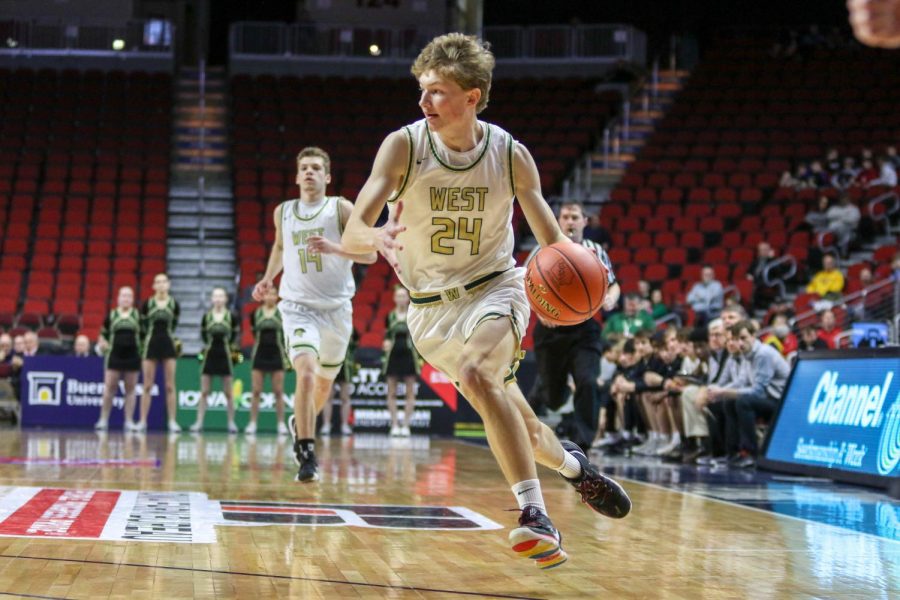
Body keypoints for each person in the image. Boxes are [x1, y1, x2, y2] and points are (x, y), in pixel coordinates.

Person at [341, 33, 631, 568]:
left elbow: (553, 244)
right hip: (429, 311)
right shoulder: (403, 146)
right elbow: (356, 227)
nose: (424, 102)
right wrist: (372, 239)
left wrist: (590, 276)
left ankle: (535, 516)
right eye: (423, 91)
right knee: (525, 428)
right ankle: (576, 470)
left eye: (437, 92)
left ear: (473, 96)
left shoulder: (509, 154)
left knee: (477, 372)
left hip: (496, 286)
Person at [252, 146, 376, 483]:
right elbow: (280, 247)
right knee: (305, 373)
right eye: (304, 167)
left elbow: (370, 255)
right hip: (297, 308)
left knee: (323, 386)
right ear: (296, 176)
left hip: (337, 310)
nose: (309, 172)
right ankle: (306, 451)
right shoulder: (284, 212)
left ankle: (299, 423)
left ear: (327, 176)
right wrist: (267, 278)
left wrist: (335, 247)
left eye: (315, 168)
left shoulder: (340, 208)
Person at [527, 201, 620, 450]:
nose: (570, 221)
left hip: (584, 329)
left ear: (584, 222)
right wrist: (539, 309)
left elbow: (613, 284)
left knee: (588, 381)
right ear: (558, 221)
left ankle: (583, 444)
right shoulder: (542, 249)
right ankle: (548, 388)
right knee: (554, 399)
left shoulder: (595, 250)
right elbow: (525, 287)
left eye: (575, 217)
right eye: (565, 217)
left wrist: (611, 296)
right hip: (552, 329)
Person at [708, 320, 790, 468]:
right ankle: (733, 453)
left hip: (781, 402)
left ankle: (752, 453)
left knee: (742, 402)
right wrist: (720, 392)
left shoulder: (763, 354)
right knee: (728, 401)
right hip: (766, 397)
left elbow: (758, 390)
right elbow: (740, 381)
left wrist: (723, 391)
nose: (739, 343)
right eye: (736, 339)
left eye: (743, 338)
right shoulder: (746, 353)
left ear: (753, 336)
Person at [191, 288, 239, 434]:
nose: (218, 299)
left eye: (221, 296)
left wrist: (228, 348)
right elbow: (204, 336)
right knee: (204, 392)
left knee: (229, 393)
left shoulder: (231, 316)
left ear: (225, 299)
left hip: (225, 355)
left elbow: (234, 337)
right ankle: (198, 422)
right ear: (212, 299)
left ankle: (231, 423)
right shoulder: (206, 317)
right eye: (215, 296)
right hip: (210, 355)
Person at [95, 286, 142, 431]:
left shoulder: (138, 316)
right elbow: (103, 334)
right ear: (118, 298)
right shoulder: (112, 315)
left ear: (132, 299)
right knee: (109, 388)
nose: (126, 298)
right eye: (123, 296)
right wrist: (102, 343)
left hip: (132, 355)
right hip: (114, 355)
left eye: (129, 296)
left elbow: (143, 335)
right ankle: (103, 419)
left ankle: (128, 421)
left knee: (130, 389)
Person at [246, 286, 290, 436]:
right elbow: (253, 332)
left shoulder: (282, 314)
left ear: (277, 296)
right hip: (259, 354)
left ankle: (280, 423)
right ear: (262, 296)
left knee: (278, 392)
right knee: (256, 391)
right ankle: (252, 423)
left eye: (273, 294)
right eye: (267, 294)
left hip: (277, 354)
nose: (270, 296)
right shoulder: (255, 314)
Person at [139, 273, 180, 433]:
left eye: (164, 282)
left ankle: (172, 421)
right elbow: (143, 326)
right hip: (151, 344)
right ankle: (143, 421)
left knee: (170, 385)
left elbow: (174, 324)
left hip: (168, 344)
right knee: (147, 385)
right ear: (154, 286)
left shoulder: (174, 304)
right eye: (158, 282)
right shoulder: (147, 304)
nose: (161, 285)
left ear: (168, 285)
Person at [383, 286, 421, 437]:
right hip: (393, 356)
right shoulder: (390, 316)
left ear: (408, 298)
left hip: (409, 356)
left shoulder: (414, 315)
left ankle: (406, 425)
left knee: (410, 393)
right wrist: (385, 342)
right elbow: (386, 335)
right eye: (397, 296)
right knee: (391, 392)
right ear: (394, 298)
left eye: (403, 296)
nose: (400, 299)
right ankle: (394, 425)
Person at [322, 328, 358, 436]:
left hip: (345, 365)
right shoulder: (328, 325)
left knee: (345, 397)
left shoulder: (350, 326)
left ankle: (345, 425)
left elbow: (355, 343)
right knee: (328, 396)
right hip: (330, 363)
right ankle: (326, 425)